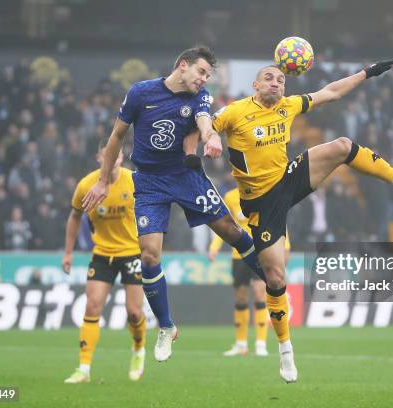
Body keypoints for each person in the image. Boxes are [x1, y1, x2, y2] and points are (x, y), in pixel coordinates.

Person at [212, 60, 393, 383]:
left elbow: (330, 92)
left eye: (280, 79)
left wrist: (367, 72)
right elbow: (206, 124)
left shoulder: (288, 106)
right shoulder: (234, 112)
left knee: (342, 146)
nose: (277, 82)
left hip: (287, 179)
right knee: (275, 278)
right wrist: (209, 137)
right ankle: (285, 350)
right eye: (269, 78)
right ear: (255, 86)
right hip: (261, 204)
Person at [81, 46, 266, 363]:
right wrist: (100, 180)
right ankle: (166, 326)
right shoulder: (141, 93)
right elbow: (116, 137)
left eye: (208, 75)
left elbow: (205, 119)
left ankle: (271, 276)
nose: (204, 79)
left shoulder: (200, 97)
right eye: (201, 72)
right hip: (149, 182)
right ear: (183, 66)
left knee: (232, 232)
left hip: (185, 176)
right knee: (149, 255)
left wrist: (210, 137)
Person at [62, 141, 146, 384]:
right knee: (92, 306)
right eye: (107, 153)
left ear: (121, 157)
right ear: (100, 157)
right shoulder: (86, 185)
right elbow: (75, 215)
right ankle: (84, 369)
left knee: (133, 312)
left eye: (116, 153)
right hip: (102, 254)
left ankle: (139, 348)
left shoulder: (133, 180)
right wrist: (68, 253)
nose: (113, 157)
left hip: (132, 253)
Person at [208, 186, 291, 357]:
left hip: (261, 252)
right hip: (238, 255)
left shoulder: (263, 190)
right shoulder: (230, 197)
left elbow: (277, 221)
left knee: (260, 294)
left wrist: (286, 247)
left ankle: (261, 343)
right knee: (240, 297)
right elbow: (224, 224)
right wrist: (214, 246)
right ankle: (241, 344)